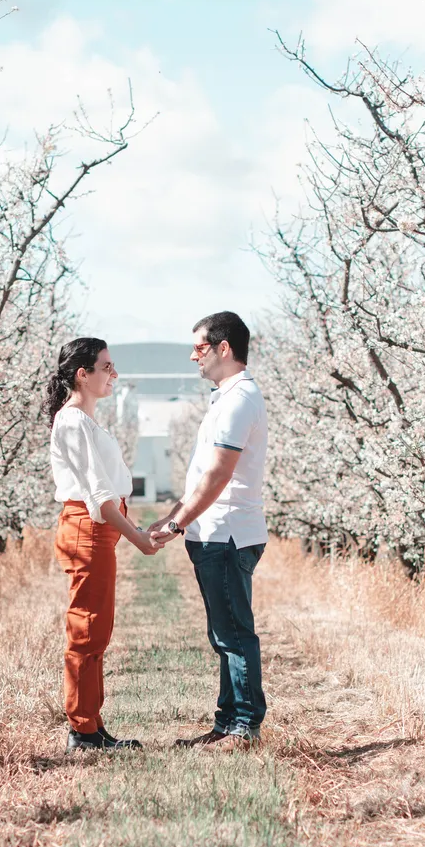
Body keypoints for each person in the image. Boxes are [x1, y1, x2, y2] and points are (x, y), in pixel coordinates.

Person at [150, 311, 268, 745]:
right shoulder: (225, 398)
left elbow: (219, 474)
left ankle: (244, 727)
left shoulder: (239, 400)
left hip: (227, 532)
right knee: (223, 633)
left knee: (234, 633)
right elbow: (203, 474)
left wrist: (177, 523)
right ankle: (226, 724)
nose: (192, 356)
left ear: (224, 348)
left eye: (199, 347)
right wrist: (174, 514)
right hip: (214, 532)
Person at [48, 335, 156, 754]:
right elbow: (98, 496)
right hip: (88, 529)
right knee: (88, 628)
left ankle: (92, 725)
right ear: (83, 374)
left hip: (97, 530)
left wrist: (134, 530)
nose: (114, 374)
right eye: (107, 366)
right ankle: (82, 730)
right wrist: (137, 537)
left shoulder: (84, 421)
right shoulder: (73, 422)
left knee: (98, 629)